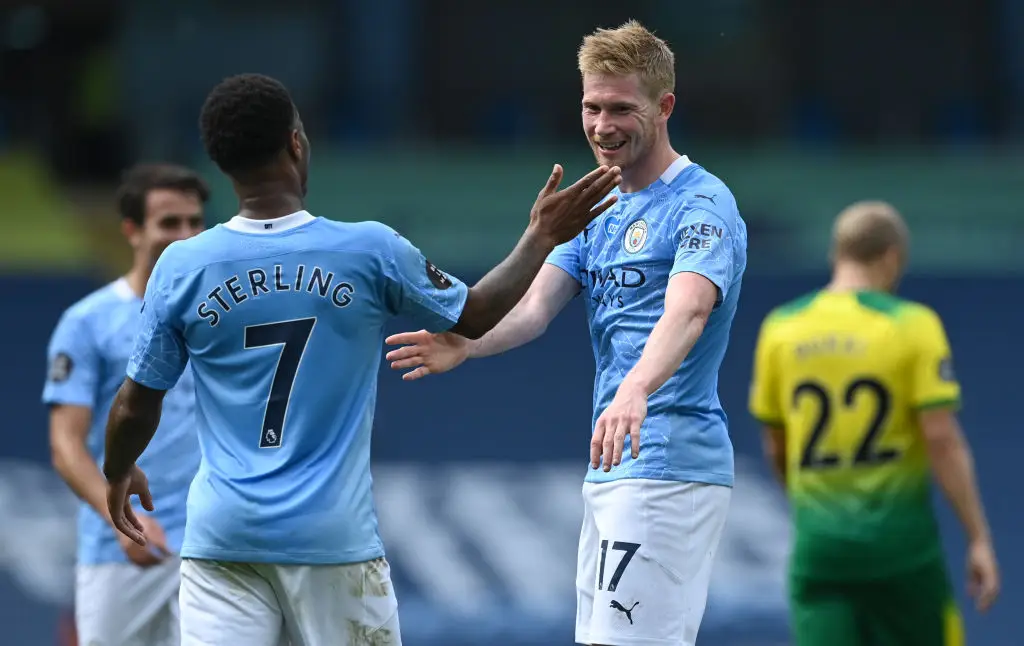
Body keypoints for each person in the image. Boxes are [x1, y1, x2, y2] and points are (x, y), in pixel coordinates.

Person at [100, 72, 621, 646]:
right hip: (330, 540)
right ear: (296, 143)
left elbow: (134, 403)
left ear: (221, 163)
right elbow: (475, 314)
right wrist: (540, 237)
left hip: (223, 539)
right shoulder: (367, 249)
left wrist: (117, 469)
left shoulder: (182, 266)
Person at [386, 21, 747, 646]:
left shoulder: (703, 204)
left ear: (664, 107)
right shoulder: (597, 208)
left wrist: (634, 389)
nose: (602, 125)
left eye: (621, 109)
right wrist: (469, 342)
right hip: (615, 465)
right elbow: (532, 310)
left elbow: (687, 311)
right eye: (591, 106)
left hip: (667, 460)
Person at [747, 201, 1000, 646]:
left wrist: (809, 511)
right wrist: (977, 537)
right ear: (891, 258)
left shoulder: (781, 328)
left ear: (836, 255)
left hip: (820, 548)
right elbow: (941, 439)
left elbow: (776, 444)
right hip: (900, 548)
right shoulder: (912, 324)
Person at [42, 163, 209, 646]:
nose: (185, 235)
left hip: (213, 542)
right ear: (132, 231)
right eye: (169, 223)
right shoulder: (87, 323)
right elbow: (66, 445)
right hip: (121, 550)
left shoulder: (220, 317)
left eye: (195, 222)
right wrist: (118, 519)